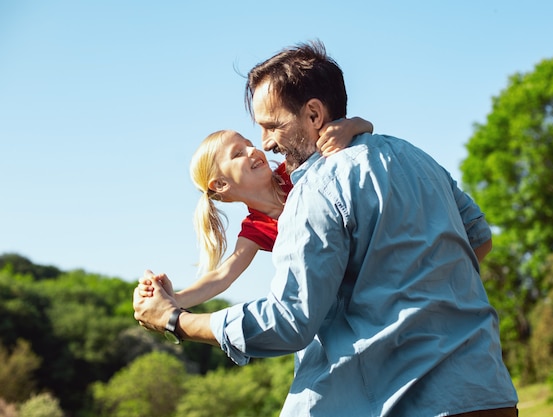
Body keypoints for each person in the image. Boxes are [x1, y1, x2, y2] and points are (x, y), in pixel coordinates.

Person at [133, 40, 518, 416]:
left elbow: (289, 321)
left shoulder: (313, 189)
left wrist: (175, 320)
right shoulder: (416, 157)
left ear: (314, 116)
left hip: (399, 398)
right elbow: (478, 239)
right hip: (485, 389)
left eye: (270, 127)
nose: (264, 144)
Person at [139, 117, 373, 308]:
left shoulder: (296, 169)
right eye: (238, 153)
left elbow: (366, 127)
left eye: (249, 144)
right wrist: (174, 299)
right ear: (220, 185)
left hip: (377, 254)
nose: (253, 150)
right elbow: (222, 277)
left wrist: (349, 127)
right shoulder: (255, 229)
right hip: (351, 295)